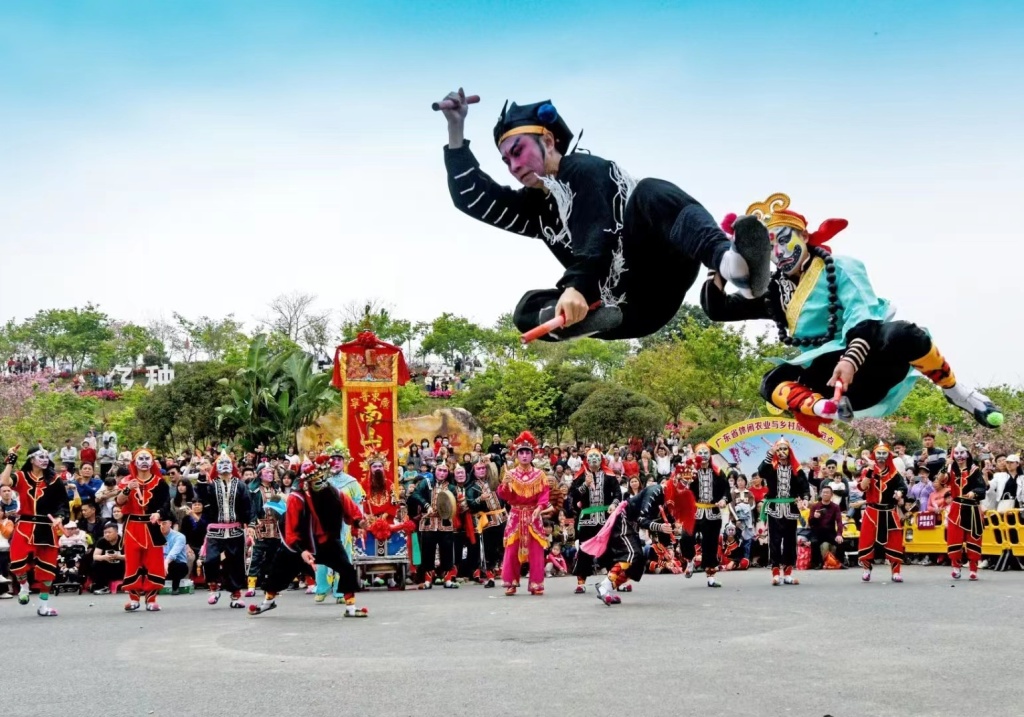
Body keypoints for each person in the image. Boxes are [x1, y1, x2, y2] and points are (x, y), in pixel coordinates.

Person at [437, 89, 772, 342]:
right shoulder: (537, 207)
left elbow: (601, 229)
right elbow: (474, 199)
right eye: (506, 162)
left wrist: (577, 286)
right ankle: (586, 319)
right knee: (527, 309)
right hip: (623, 311)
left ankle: (733, 266)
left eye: (517, 152)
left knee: (651, 191)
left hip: (656, 276)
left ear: (549, 141)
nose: (514, 166)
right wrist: (456, 130)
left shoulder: (586, 170)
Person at [702, 192, 1003, 433]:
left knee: (905, 333)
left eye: (784, 240)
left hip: (870, 364)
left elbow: (864, 316)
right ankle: (823, 409)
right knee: (771, 381)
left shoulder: (841, 267)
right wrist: (721, 262)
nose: (779, 253)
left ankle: (957, 391)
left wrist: (850, 359)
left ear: (804, 237)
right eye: (770, 247)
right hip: (828, 384)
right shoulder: (776, 291)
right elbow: (719, 309)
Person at [249, 460, 369, 617]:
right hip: (301, 544)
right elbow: (291, 528)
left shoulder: (335, 493)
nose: (320, 482)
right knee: (278, 571)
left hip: (327, 541)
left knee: (346, 568)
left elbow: (352, 510)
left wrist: (360, 522)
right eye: (315, 479)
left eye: (322, 478)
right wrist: (301, 550)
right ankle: (268, 602)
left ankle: (351, 608)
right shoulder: (296, 498)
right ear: (306, 481)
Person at [1, 446, 68, 616]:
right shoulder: (22, 477)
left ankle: (44, 606)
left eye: (46, 456)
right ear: (31, 459)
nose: (45, 459)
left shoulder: (55, 479)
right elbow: (4, 481)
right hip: (25, 526)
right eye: (40, 456)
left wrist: (60, 517)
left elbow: (63, 504)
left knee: (47, 568)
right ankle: (24, 586)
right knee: (17, 563)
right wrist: (11, 459)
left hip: (47, 527)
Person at [115, 447, 171, 612]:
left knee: (154, 563)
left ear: (152, 462)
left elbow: (166, 504)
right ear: (134, 462)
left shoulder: (160, 482)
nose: (144, 462)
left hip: (152, 526)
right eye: (141, 459)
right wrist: (128, 489)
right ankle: (133, 598)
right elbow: (119, 502)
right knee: (132, 562)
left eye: (148, 458)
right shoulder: (127, 481)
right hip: (133, 526)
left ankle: (151, 599)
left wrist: (159, 513)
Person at [195, 450, 252, 609]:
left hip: (235, 529)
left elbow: (247, 506)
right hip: (215, 530)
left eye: (228, 463)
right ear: (217, 467)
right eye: (221, 464)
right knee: (211, 559)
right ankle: (213, 586)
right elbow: (201, 496)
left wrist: (250, 525)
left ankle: (236, 594)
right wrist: (201, 476)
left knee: (235, 563)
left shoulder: (240, 485)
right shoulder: (211, 485)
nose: (225, 466)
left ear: (232, 466)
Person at [496, 432, 551, 596]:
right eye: (521, 452)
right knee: (512, 549)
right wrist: (504, 485)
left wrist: (540, 508)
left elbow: (544, 495)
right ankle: (511, 582)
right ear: (516, 455)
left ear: (532, 455)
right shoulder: (510, 474)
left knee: (536, 551)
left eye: (528, 452)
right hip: (516, 514)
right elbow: (504, 496)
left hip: (533, 515)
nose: (525, 455)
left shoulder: (540, 475)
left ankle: (536, 583)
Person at [314, 441, 365, 603]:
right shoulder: (320, 480)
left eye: (339, 459)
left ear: (345, 462)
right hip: (322, 525)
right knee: (321, 558)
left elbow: (358, 504)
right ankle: (321, 588)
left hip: (343, 527)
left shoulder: (352, 482)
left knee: (343, 558)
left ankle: (340, 592)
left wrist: (359, 524)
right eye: (333, 459)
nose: (335, 462)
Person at [565, 448, 620, 594]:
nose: (594, 459)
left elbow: (617, 492)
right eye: (591, 456)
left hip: (605, 518)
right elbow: (572, 496)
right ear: (586, 460)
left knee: (609, 549)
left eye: (597, 456)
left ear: (601, 459)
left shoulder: (609, 475)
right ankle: (581, 582)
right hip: (587, 519)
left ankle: (614, 580)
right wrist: (585, 485)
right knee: (584, 549)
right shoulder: (581, 477)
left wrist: (614, 504)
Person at [758, 439, 810, 586]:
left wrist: (805, 499)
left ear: (789, 451)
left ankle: (787, 574)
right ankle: (775, 573)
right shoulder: (771, 467)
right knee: (774, 542)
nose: (781, 452)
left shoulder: (796, 469)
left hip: (791, 509)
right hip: (774, 509)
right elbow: (761, 472)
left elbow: (804, 487)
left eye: (784, 449)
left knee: (789, 542)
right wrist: (770, 453)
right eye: (779, 449)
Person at [856, 443, 909, 583]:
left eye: (884, 453)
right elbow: (862, 487)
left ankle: (896, 571)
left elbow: (903, 486)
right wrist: (870, 471)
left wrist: (900, 492)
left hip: (889, 511)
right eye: (878, 453)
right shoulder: (867, 470)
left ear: (888, 455)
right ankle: (866, 569)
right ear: (874, 455)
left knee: (895, 541)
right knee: (866, 540)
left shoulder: (893, 473)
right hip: (872, 512)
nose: (881, 456)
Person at [946, 444, 986, 581]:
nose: (959, 456)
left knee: (973, 539)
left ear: (968, 454)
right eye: (956, 453)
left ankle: (973, 569)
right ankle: (955, 567)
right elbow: (939, 482)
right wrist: (945, 467)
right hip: (956, 508)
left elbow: (982, 488)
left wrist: (974, 492)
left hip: (972, 509)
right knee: (954, 539)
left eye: (962, 453)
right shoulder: (950, 470)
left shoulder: (974, 470)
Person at [465, 457, 506, 589]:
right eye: (478, 468)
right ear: (474, 471)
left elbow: (500, 460)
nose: (482, 470)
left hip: (502, 518)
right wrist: (479, 499)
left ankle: (508, 575)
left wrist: (490, 457)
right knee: (489, 550)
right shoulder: (471, 487)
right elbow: (470, 503)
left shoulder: (494, 481)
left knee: (505, 547)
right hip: (487, 522)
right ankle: (490, 577)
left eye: (483, 468)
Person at [245, 463, 282, 597]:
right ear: (260, 474)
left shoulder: (277, 489)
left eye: (271, 472)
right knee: (256, 555)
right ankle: (251, 586)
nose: (270, 474)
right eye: (267, 472)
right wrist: (253, 523)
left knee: (273, 557)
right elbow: (252, 509)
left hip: (275, 526)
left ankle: (270, 585)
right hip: (260, 525)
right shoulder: (253, 490)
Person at [807, 486, 844, 569]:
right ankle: (817, 563)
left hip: (830, 532)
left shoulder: (835, 507)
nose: (825, 494)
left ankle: (840, 562)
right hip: (817, 532)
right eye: (823, 492)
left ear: (831, 495)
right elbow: (810, 523)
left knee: (840, 541)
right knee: (814, 542)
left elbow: (839, 521)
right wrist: (814, 517)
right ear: (820, 494)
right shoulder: (815, 506)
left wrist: (839, 534)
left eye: (827, 492)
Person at [160, 518, 189, 594]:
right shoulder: (154, 535)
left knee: (177, 566)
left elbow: (174, 553)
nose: (161, 526)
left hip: (176, 563)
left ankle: (175, 588)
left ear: (170, 524)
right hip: (160, 563)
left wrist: (166, 562)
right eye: (159, 523)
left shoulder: (180, 536)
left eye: (164, 523)